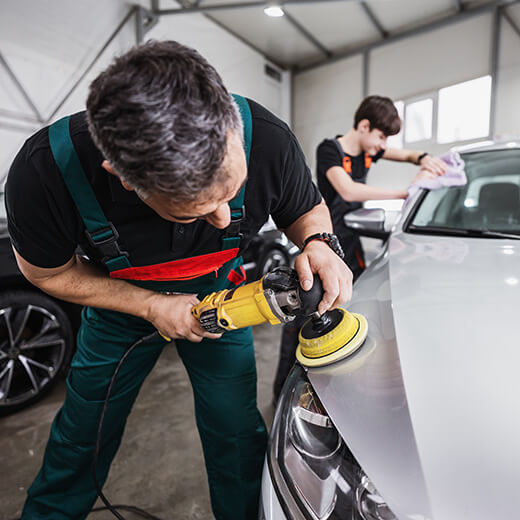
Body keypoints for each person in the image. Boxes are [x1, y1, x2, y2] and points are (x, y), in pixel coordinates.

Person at [5, 40, 351, 520]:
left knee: (235, 431)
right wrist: (150, 306)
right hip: (118, 310)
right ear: (123, 177)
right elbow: (46, 271)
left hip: (222, 301)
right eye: (197, 208)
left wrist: (319, 244)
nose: (224, 216)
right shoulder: (46, 171)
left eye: (230, 192)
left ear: (230, 122)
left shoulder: (267, 137)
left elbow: (308, 210)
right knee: (83, 432)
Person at [273, 95, 447, 400]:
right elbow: (347, 189)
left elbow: (404, 155)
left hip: (351, 248)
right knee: (307, 315)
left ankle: (336, 391)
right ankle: (285, 394)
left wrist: (422, 157)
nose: (383, 145)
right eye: (380, 136)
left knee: (353, 311)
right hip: (322, 246)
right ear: (364, 126)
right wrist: (405, 193)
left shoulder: (370, 152)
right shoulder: (331, 150)